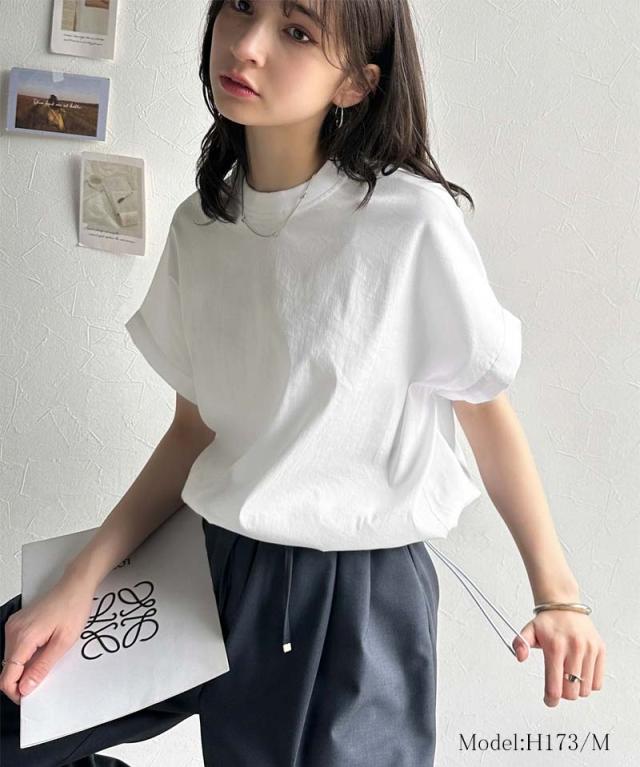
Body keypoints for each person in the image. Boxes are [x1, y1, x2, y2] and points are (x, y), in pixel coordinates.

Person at [0, 1, 606, 765]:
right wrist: (82, 576)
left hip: (346, 599)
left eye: (297, 31)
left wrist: (558, 596)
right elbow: (194, 431)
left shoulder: (408, 222)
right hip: (205, 559)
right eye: (241, 8)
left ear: (356, 82)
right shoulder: (203, 225)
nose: (247, 46)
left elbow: (486, 413)